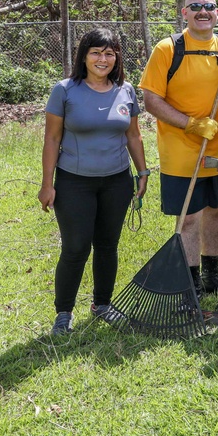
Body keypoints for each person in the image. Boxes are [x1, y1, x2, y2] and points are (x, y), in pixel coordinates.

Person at [39, 28, 149, 335]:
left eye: (110, 53)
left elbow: (133, 135)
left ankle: (102, 305)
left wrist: (142, 173)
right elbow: (52, 138)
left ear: (117, 58)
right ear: (84, 56)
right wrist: (47, 184)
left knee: (107, 245)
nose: (103, 59)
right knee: (75, 247)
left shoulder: (125, 90)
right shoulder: (65, 90)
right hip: (75, 182)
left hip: (117, 181)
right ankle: (63, 314)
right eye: (96, 52)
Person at [139, 0, 218, 299]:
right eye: (195, 6)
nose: (203, 11)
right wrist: (191, 123)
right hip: (182, 153)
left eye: (209, 6)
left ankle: (212, 276)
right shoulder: (167, 49)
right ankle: (191, 282)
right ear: (184, 12)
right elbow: (150, 100)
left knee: (214, 211)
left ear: (217, 13)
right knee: (189, 217)